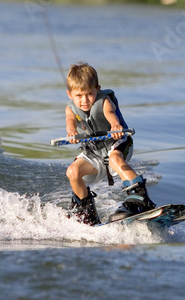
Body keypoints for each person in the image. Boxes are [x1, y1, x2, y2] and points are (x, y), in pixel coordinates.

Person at [64, 62, 155, 226]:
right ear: (70, 94)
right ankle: (86, 211)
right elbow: (70, 122)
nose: (85, 100)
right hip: (94, 151)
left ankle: (140, 199)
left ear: (97, 89)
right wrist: (72, 133)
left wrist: (115, 125)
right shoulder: (70, 109)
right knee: (72, 171)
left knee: (114, 159)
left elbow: (110, 114)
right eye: (79, 96)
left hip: (117, 144)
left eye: (89, 94)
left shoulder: (104, 102)